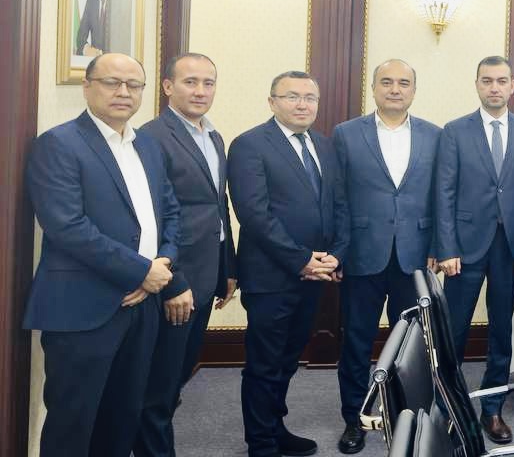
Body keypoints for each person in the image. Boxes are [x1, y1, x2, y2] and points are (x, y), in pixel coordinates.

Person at [24, 52, 180, 457]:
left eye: (134, 85)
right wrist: (140, 271)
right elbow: (67, 226)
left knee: (123, 417)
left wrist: (161, 264)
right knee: (73, 424)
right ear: (87, 87)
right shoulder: (59, 144)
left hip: (142, 305)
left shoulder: (147, 145)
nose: (124, 92)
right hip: (82, 309)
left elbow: (170, 213)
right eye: (112, 82)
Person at [229, 70, 348, 457]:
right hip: (271, 277)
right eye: (292, 96)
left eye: (310, 98)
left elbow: (338, 204)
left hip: (314, 275)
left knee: (287, 359)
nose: (302, 104)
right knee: (264, 363)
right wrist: (301, 259)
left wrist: (337, 253)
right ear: (272, 102)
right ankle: (261, 444)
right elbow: (254, 214)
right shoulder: (249, 145)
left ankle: (275, 428)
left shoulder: (323, 145)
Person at [332, 59, 439, 454]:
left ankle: (402, 416)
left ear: (414, 90)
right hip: (362, 254)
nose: (395, 89)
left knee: (410, 345)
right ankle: (354, 418)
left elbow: (441, 196)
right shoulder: (346, 134)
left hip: (414, 256)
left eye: (404, 83)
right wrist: (338, 252)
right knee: (357, 342)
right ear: (374, 87)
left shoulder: (434, 135)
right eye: (387, 82)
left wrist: (438, 248)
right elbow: (336, 198)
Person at [135, 53, 239, 457]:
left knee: (179, 374)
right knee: (160, 385)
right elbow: (154, 217)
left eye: (208, 83)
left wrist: (227, 266)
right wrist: (173, 280)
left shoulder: (213, 136)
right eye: (190, 82)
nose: (200, 91)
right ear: (167, 87)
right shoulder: (151, 137)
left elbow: (218, 205)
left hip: (208, 273)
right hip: (176, 281)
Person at [435, 56, 514, 443]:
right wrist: (446, 247)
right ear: (477, 85)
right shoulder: (455, 131)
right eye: (486, 81)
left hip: (509, 246)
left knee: (501, 330)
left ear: (513, 86)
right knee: (454, 332)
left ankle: (492, 409)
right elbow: (444, 193)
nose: (494, 87)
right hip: (463, 248)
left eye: (501, 81)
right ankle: (447, 409)